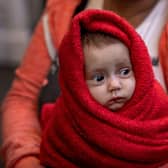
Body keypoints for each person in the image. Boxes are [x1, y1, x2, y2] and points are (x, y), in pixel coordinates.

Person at [1, 0, 168, 167]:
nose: (114, 85)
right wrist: (26, 160)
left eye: (125, 72)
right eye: (99, 78)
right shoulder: (62, 10)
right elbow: (22, 98)